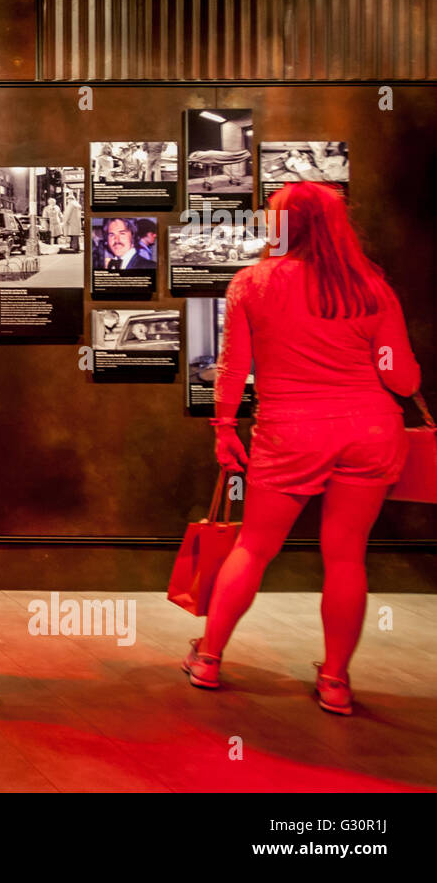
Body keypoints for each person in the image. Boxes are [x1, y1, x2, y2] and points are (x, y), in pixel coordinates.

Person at [183, 182, 421, 716]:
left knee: (254, 547)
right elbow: (402, 380)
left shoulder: (253, 284)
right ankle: (335, 681)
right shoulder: (372, 289)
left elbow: (233, 368)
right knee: (345, 557)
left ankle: (209, 658)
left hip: (290, 432)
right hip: (370, 431)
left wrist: (225, 427)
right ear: (339, 226)